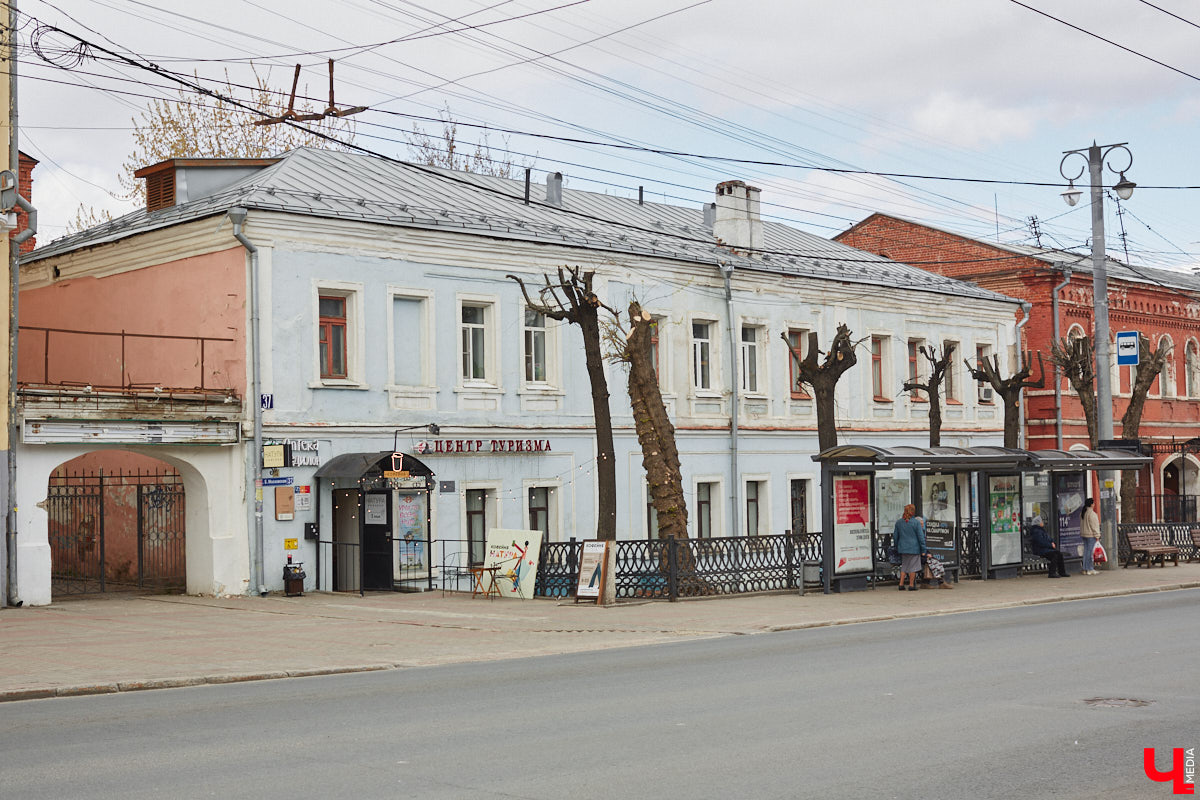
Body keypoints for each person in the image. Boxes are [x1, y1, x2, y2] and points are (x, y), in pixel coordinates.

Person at [892, 504, 926, 592]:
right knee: (913, 567)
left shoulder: (899, 522)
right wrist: (923, 549)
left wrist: (897, 546)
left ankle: (901, 584)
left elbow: (895, 536)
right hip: (914, 548)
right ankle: (911, 585)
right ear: (912, 512)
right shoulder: (916, 522)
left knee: (904, 566)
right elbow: (921, 537)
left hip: (903, 548)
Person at [1080, 498, 1100, 575]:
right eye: (1094, 503)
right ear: (1091, 504)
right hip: (1091, 535)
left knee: (1086, 551)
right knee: (1090, 552)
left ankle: (1084, 568)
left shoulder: (1083, 512)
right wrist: (1097, 535)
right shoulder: (1092, 514)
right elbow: (1094, 526)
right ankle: (1090, 568)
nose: (1094, 505)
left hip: (1084, 534)